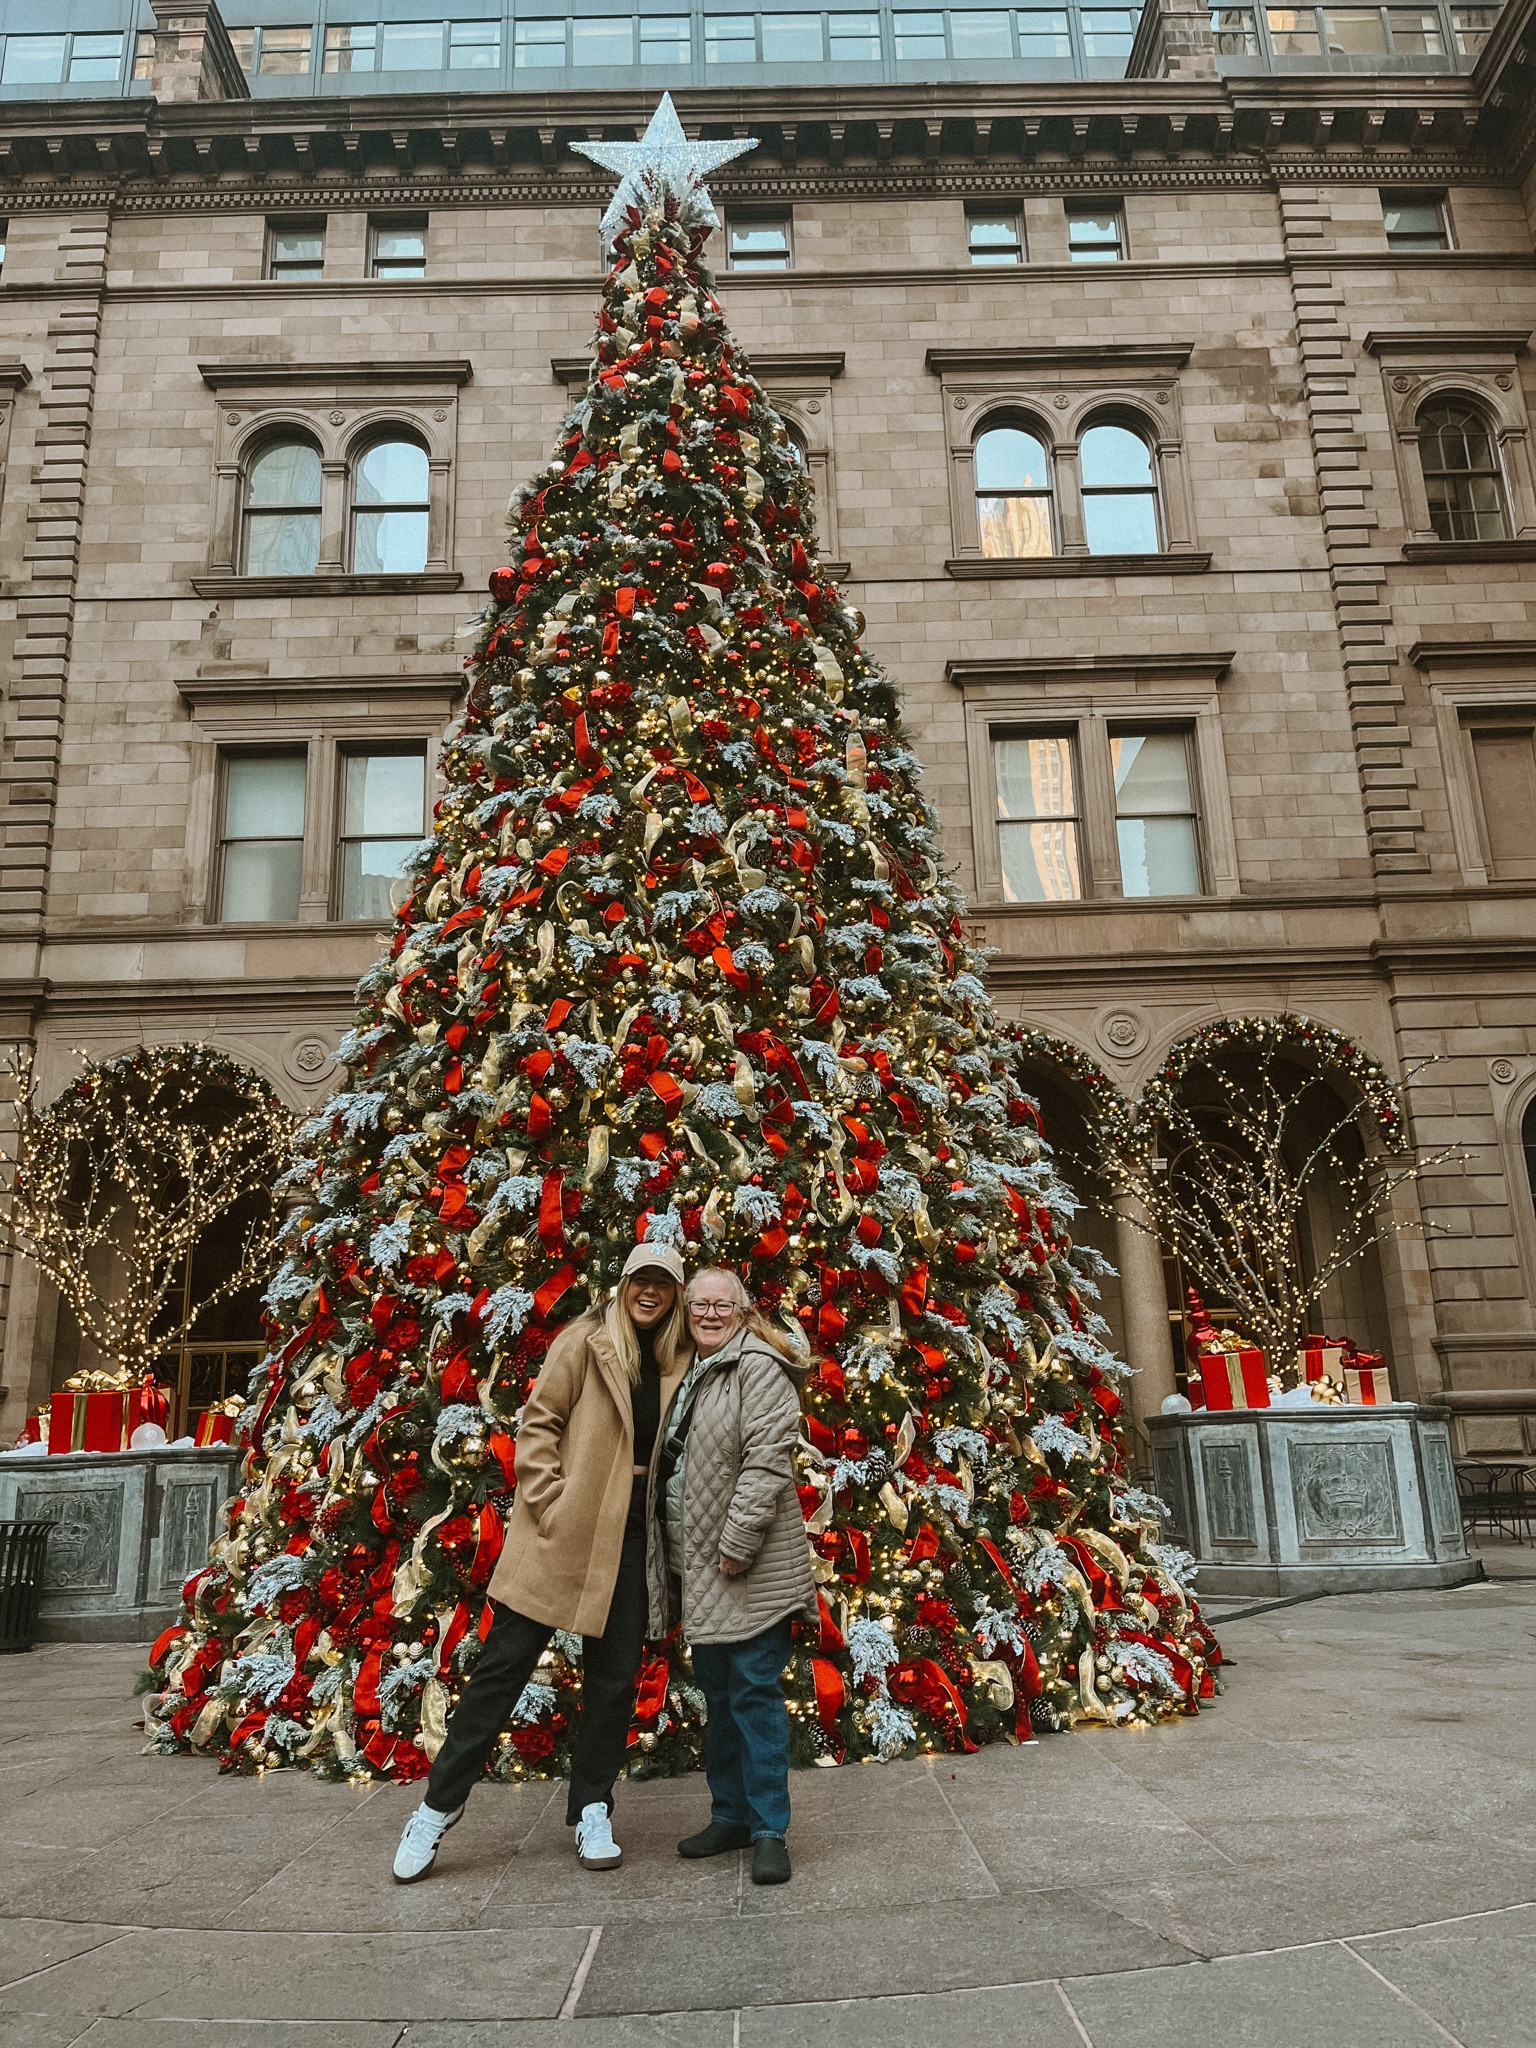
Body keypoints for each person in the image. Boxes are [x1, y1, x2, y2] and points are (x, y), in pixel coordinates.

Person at [393, 1241, 690, 1883]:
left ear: (675, 1295)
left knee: (612, 1685)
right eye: (641, 1280)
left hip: (632, 1539)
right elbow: (538, 1424)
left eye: (663, 1285)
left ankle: (591, 1808)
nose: (649, 1293)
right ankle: (436, 1810)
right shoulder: (584, 1341)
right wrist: (550, 1501)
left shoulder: (678, 1356)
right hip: (563, 1532)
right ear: (623, 1284)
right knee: (501, 1672)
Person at [652, 1266, 817, 1887]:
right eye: (700, 1304)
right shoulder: (692, 1371)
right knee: (719, 1699)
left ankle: (770, 1830)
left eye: (723, 1305)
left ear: (744, 1311)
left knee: (753, 1694)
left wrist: (738, 1542)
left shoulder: (757, 1368)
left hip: (748, 1567)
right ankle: (731, 1817)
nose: (710, 1314)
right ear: (687, 1310)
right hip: (700, 1568)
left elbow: (767, 1461)